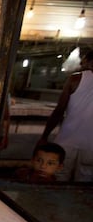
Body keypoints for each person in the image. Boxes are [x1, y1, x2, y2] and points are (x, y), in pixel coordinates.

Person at [38, 49, 93, 182]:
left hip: (66, 142)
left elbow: (59, 110)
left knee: (58, 179)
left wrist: (44, 136)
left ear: (87, 61)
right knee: (84, 185)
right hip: (91, 147)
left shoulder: (76, 78)